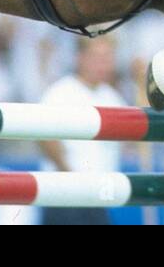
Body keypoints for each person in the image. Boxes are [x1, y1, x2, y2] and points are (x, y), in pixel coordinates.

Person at [37, 37, 126, 225]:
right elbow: (45, 138)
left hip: (98, 197)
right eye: (98, 57)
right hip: (65, 197)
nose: (104, 64)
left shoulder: (113, 97)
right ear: (80, 57)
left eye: (108, 57)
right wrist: (71, 178)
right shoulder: (60, 92)